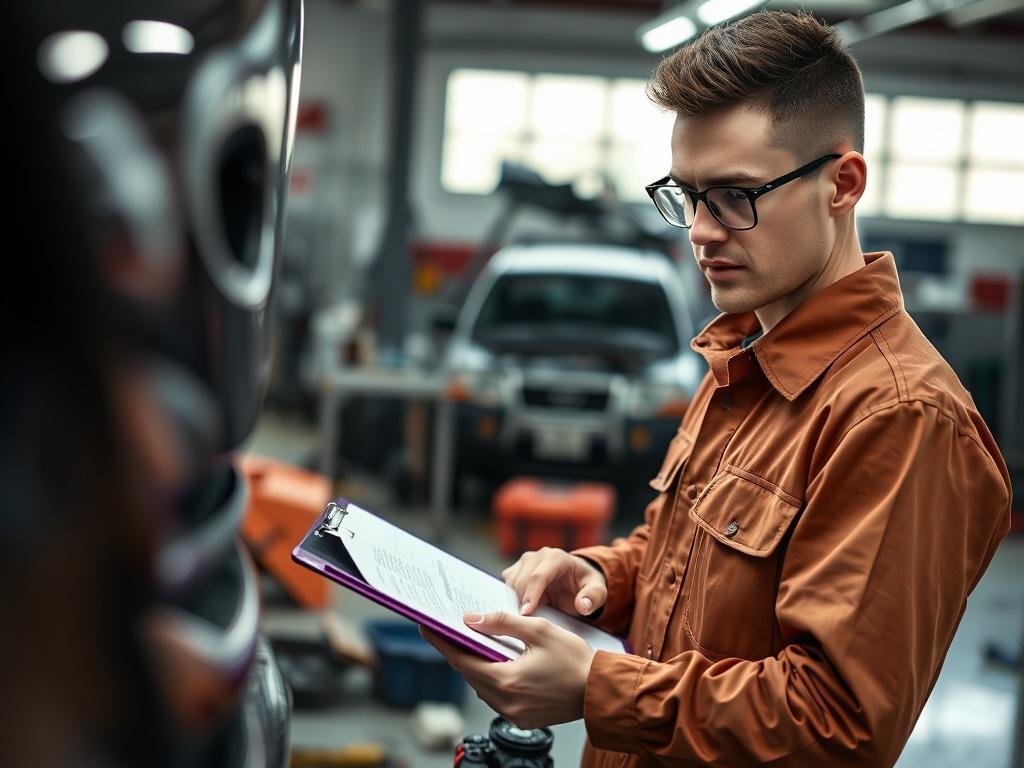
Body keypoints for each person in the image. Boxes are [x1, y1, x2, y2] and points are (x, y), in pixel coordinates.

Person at [421, 10, 1012, 767]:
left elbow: (839, 726)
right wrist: (599, 579)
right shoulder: (743, 355)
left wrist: (598, 688)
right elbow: (685, 558)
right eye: (687, 195)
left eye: (734, 195)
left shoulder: (900, 417)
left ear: (843, 184)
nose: (699, 230)